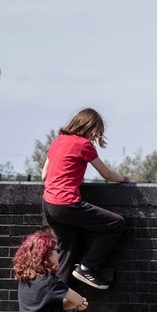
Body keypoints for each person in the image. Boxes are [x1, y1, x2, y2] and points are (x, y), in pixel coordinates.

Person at [41, 108, 132, 290]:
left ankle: (58, 303)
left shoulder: (58, 140)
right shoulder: (83, 145)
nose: (94, 136)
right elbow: (106, 173)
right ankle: (86, 267)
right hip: (67, 203)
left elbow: (44, 175)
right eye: (95, 131)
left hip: (49, 204)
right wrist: (125, 179)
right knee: (116, 224)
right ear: (89, 127)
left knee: (66, 253)